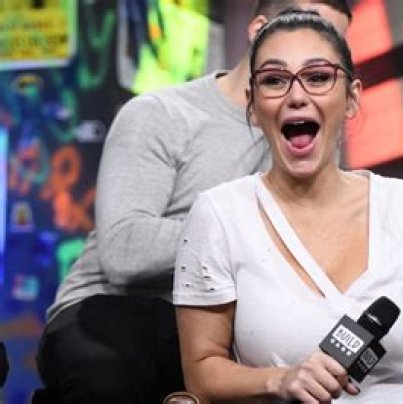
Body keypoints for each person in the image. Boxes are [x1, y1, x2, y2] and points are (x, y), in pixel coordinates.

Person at [173, 9, 403, 404]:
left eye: (318, 77)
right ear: (253, 106)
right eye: (274, 80)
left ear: (351, 98)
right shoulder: (219, 214)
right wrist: (280, 380)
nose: (297, 96)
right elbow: (201, 373)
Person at [35, 1, 352, 403]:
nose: (317, 45)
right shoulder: (163, 114)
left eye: (332, 44)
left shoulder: (316, 141)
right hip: (122, 308)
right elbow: (125, 251)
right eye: (302, 25)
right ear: (258, 30)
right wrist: (248, 229)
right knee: (111, 371)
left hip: (230, 330)